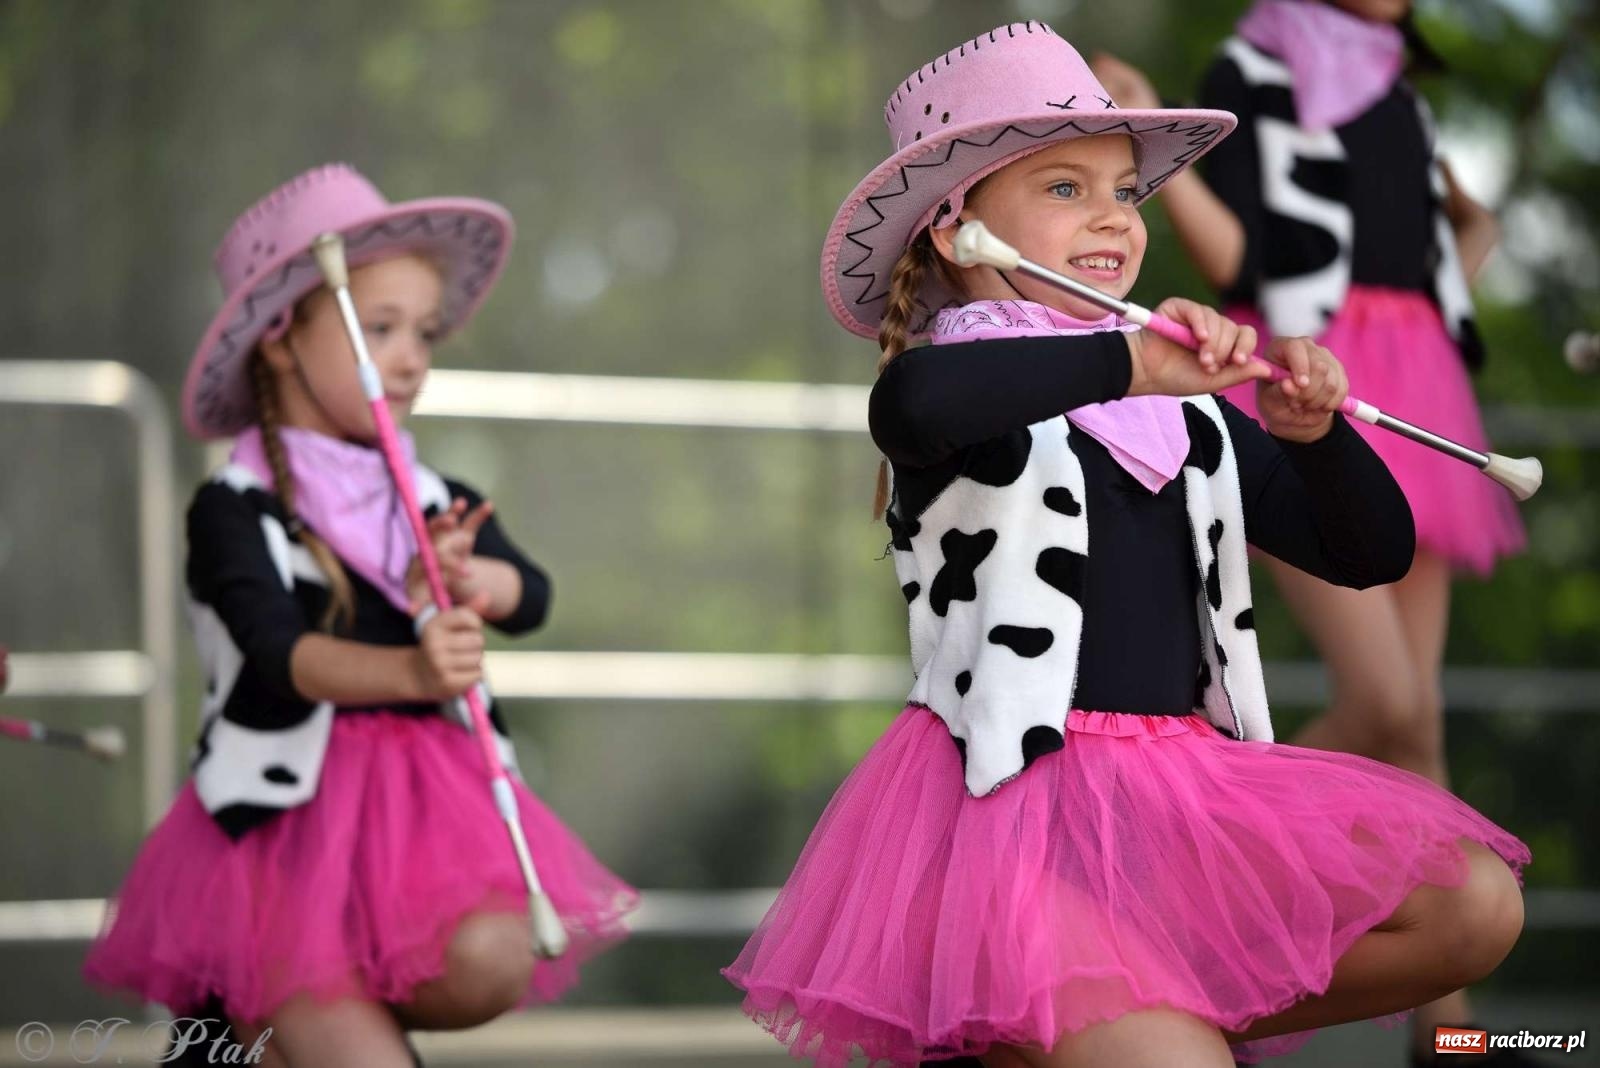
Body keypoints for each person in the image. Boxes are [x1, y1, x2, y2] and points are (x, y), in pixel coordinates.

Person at [724, 23, 1528, 1068]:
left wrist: (1316, 437)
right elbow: (918, 407)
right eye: (1064, 189)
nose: (1111, 216)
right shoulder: (956, 385)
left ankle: (1115, 1020)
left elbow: (1366, 549)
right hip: (1009, 826)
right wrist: (1130, 362)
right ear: (955, 226)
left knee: (1475, 907)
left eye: (1124, 193)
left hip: (1178, 815)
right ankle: (1079, 1021)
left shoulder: (1178, 406)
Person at [84, 164, 636, 1068]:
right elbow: (278, 654)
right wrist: (416, 670)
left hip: (416, 837)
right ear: (278, 340)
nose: (413, 355)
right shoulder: (236, 508)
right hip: (279, 839)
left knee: (494, 953)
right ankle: (269, 1014)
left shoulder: (429, 495)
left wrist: (470, 583)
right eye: (377, 328)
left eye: (423, 331)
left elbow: (529, 595)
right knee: (330, 1025)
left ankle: (265, 1031)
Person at [1091, 3, 1528, 1060]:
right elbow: (1237, 253)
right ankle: (1189, 888)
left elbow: (1435, 248)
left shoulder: (1398, 91)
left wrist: (1470, 240)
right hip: (1310, 380)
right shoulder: (1249, 64)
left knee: (1413, 718)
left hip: (1412, 388)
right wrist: (1155, 132)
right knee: (1381, 699)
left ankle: (1447, 1028)